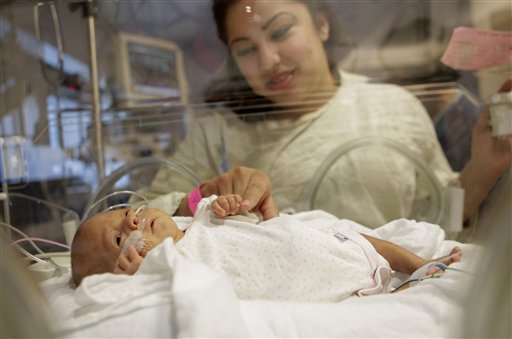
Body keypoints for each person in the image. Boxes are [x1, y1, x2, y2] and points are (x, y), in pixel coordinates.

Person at [145, 0, 511, 230]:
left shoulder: (393, 107)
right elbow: (137, 217)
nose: (269, 60)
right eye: (246, 50)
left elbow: (436, 221)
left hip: (396, 293)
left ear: (322, 25)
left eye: (281, 32)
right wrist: (203, 196)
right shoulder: (218, 134)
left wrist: (485, 166)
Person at [71, 191, 462, 302]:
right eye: (120, 237)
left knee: (368, 243)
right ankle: (402, 289)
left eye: (126, 211)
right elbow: (146, 293)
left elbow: (238, 208)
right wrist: (132, 276)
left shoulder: (205, 215)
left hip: (323, 242)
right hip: (318, 286)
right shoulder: (164, 266)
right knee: (366, 298)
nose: (132, 220)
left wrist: (229, 204)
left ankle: (419, 262)